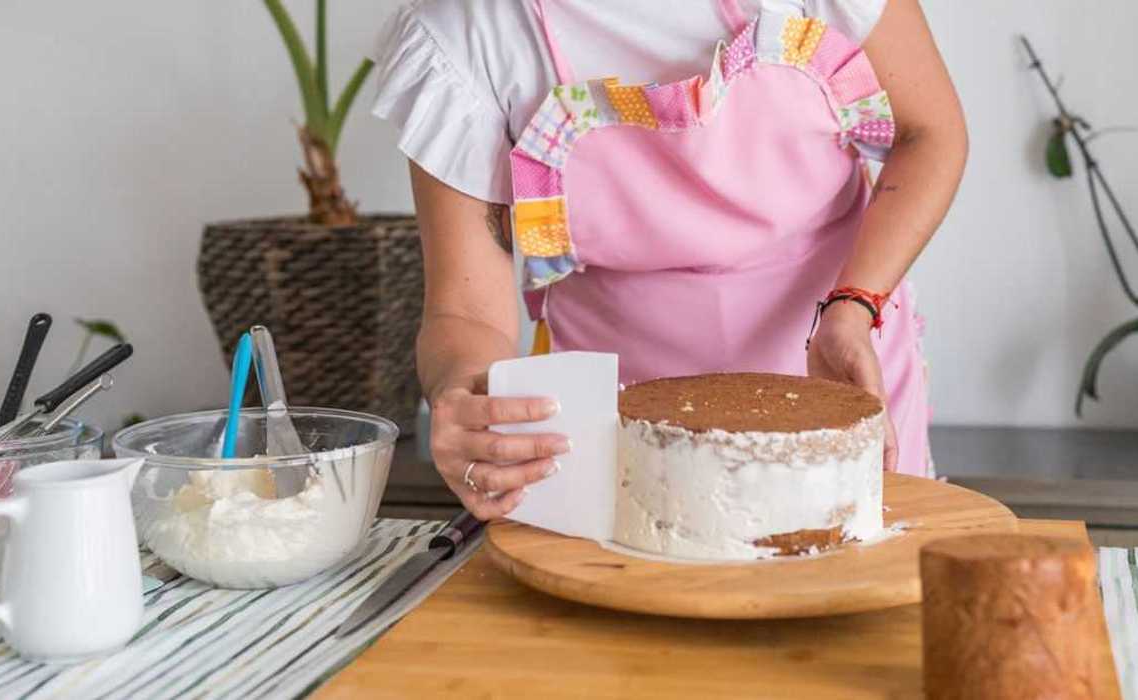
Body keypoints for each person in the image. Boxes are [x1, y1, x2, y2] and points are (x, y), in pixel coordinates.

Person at [371, 0, 967, 520]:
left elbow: (931, 132)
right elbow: (465, 312)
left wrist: (854, 306)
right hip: (619, 434)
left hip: (840, 366)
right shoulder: (467, 32)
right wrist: (467, 401)